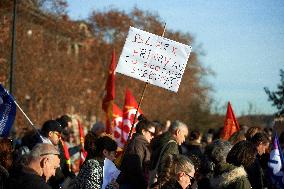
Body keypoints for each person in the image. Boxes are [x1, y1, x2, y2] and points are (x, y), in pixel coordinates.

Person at [118, 115, 156, 189]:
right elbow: (135, 169)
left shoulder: (142, 144)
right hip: (131, 185)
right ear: (143, 131)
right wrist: (143, 185)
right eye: (151, 134)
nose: (153, 137)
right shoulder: (137, 144)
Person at [150, 120, 188, 185]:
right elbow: (166, 169)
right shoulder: (172, 145)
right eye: (184, 135)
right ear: (178, 132)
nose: (184, 139)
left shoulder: (160, 139)